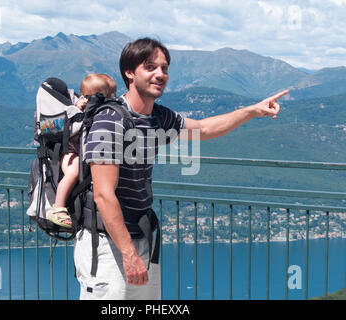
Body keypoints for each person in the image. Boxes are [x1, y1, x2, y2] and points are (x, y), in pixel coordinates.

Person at [73, 38, 289, 300]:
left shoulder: (158, 117)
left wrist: (252, 111)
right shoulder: (110, 120)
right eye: (150, 67)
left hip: (140, 238)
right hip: (107, 245)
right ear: (129, 73)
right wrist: (128, 254)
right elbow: (104, 195)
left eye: (164, 68)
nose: (160, 74)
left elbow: (204, 129)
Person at [48, 73, 117, 228]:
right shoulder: (78, 109)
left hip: (76, 152)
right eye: (110, 95)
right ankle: (58, 208)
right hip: (70, 154)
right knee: (73, 173)